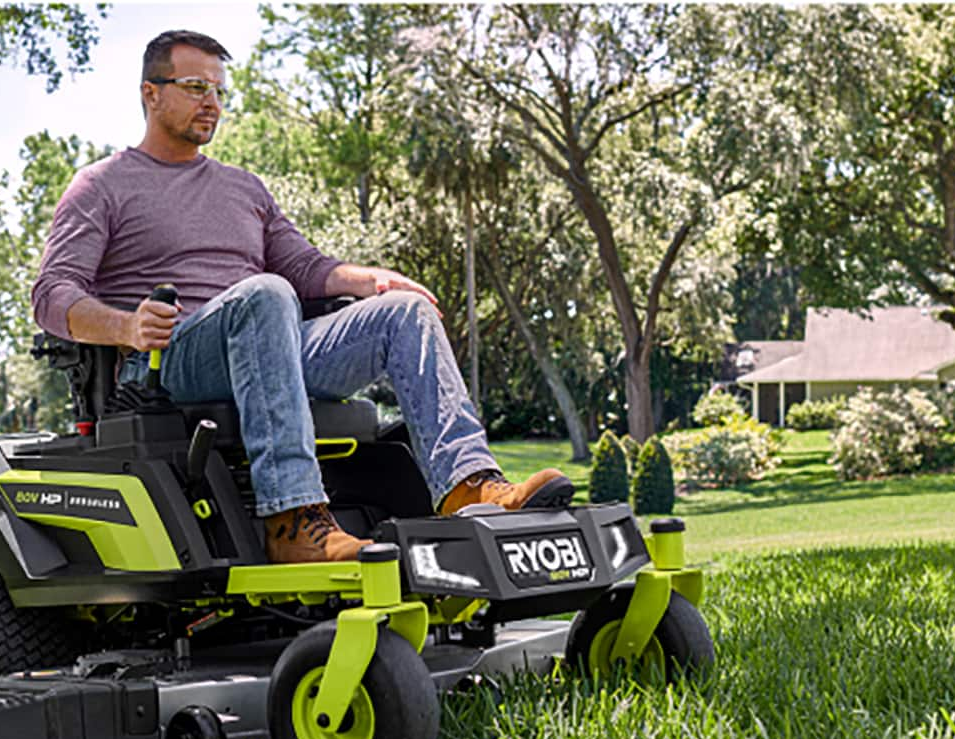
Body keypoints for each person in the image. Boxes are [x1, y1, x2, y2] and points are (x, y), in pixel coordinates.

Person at [31, 30, 571, 564]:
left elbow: (306, 267)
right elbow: (52, 295)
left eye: (219, 90)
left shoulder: (244, 188)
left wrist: (371, 281)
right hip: (169, 362)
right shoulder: (102, 185)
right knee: (266, 295)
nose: (212, 103)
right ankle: (293, 517)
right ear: (151, 92)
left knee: (402, 311)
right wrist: (126, 327)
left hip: (271, 345)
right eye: (196, 87)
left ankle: (467, 486)